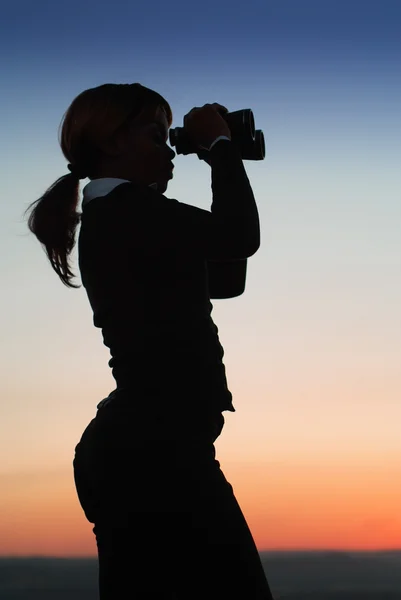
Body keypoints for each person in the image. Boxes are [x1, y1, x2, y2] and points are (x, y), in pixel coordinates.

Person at [24, 83, 274, 599]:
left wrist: (219, 162)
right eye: (158, 136)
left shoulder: (130, 216)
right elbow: (239, 236)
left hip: (151, 450)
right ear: (114, 143)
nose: (171, 149)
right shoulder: (126, 212)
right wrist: (221, 151)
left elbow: (226, 281)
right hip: (154, 456)